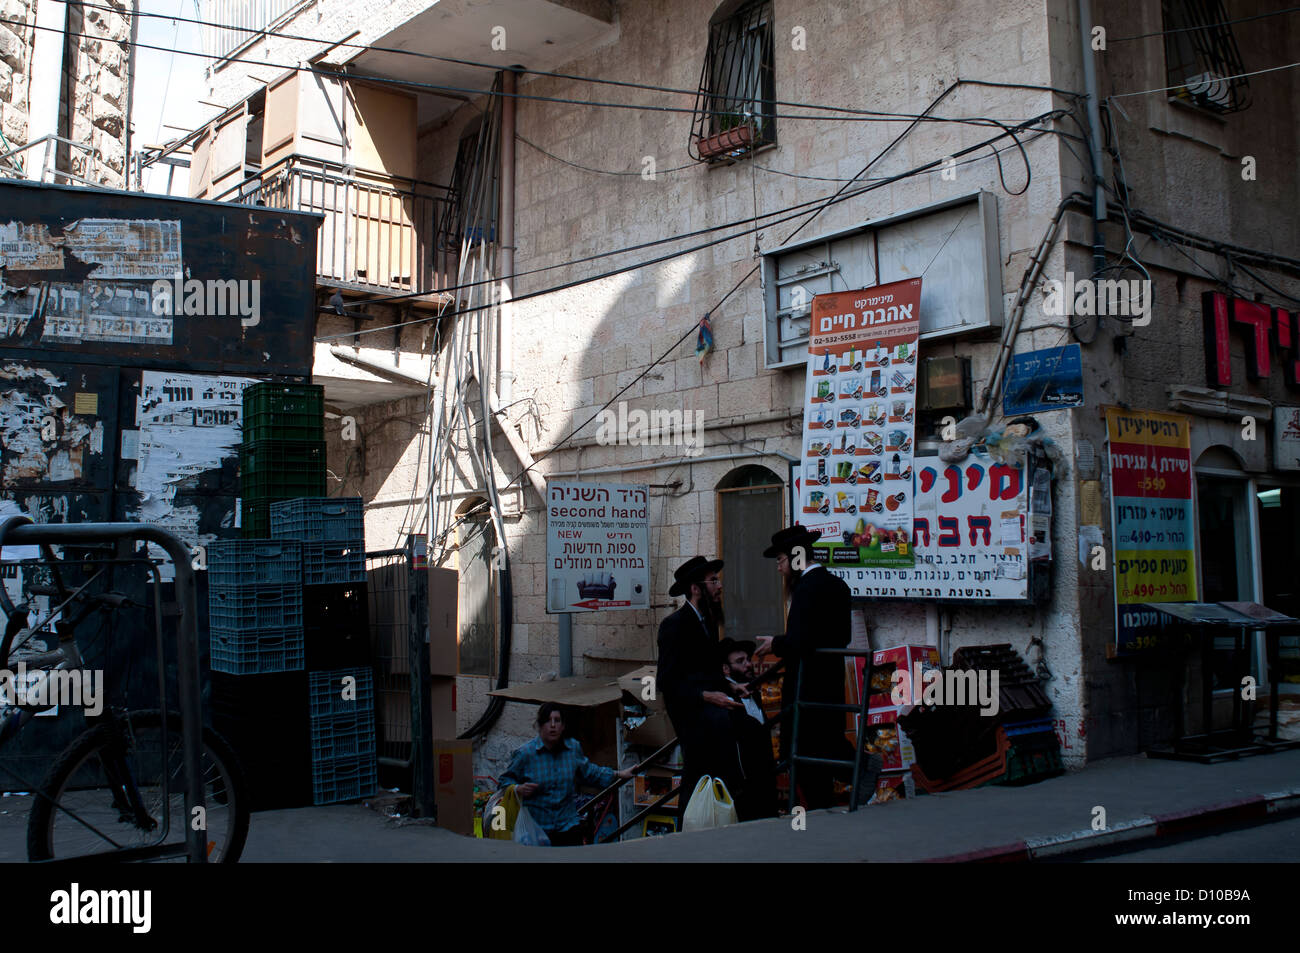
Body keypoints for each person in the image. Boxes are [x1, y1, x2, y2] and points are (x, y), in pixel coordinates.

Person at [756, 525, 853, 810]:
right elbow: (837, 636)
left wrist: (776, 643)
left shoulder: (807, 589)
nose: (779, 569)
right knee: (823, 750)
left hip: (808, 687)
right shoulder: (837, 584)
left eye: (781, 560)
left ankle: (856, 771)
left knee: (809, 758)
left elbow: (801, 641)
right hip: (830, 682)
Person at [656, 555, 743, 820]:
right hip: (693, 718)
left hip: (713, 715)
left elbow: (709, 670)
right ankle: (689, 838)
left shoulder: (707, 623)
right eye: (713, 580)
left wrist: (732, 687)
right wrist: (707, 696)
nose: (719, 586)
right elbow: (667, 682)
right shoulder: (674, 625)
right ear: (696, 588)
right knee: (697, 782)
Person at [498, 702, 632, 845]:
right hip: (537, 829)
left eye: (557, 720)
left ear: (563, 726)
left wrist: (619, 774)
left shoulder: (572, 749)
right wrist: (518, 789)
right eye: (548, 721)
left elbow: (589, 772)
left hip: (567, 825)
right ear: (540, 725)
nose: (553, 725)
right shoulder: (525, 754)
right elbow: (504, 781)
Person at [719, 637, 779, 820]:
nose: (747, 665)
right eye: (740, 661)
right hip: (745, 783)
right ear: (725, 669)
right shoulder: (724, 699)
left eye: (747, 660)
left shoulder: (753, 693)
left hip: (765, 778)